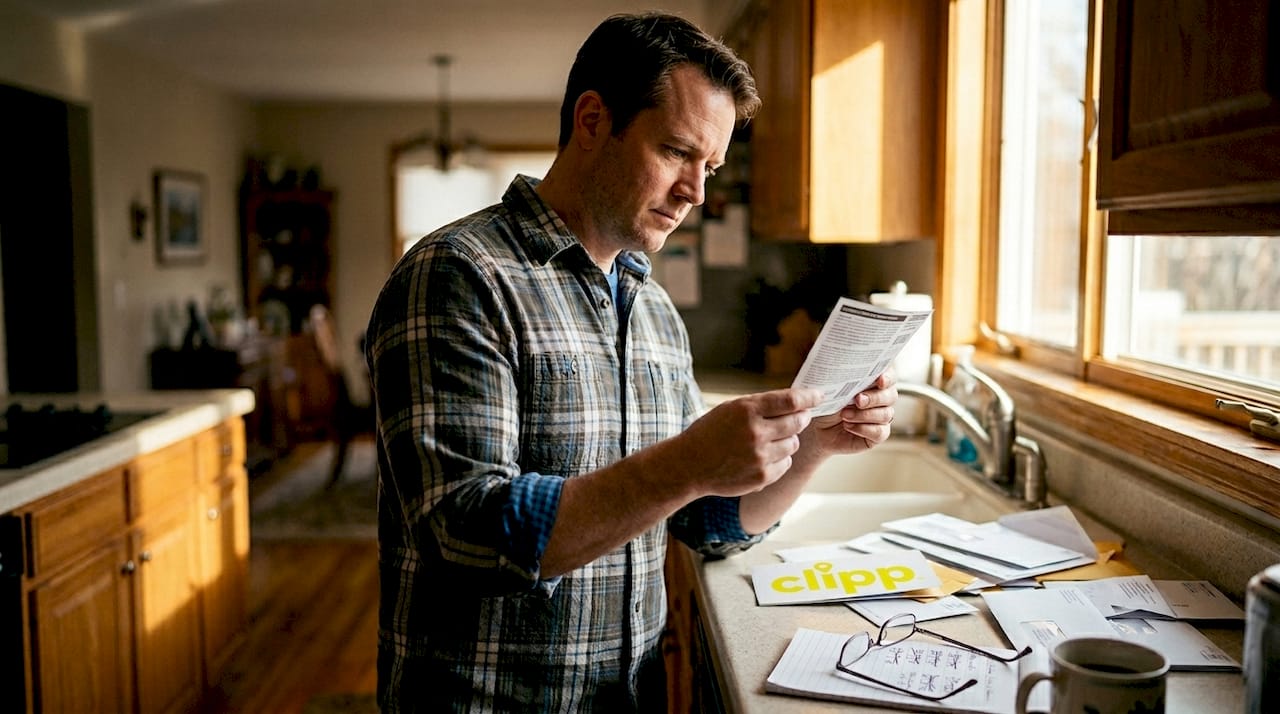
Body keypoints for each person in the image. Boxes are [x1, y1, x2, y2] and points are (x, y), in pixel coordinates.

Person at [365, 12, 898, 712]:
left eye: (710, 167)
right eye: (677, 152)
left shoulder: (652, 310)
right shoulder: (457, 275)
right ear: (593, 120)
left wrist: (814, 446)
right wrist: (686, 462)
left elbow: (701, 521)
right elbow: (463, 533)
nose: (696, 192)